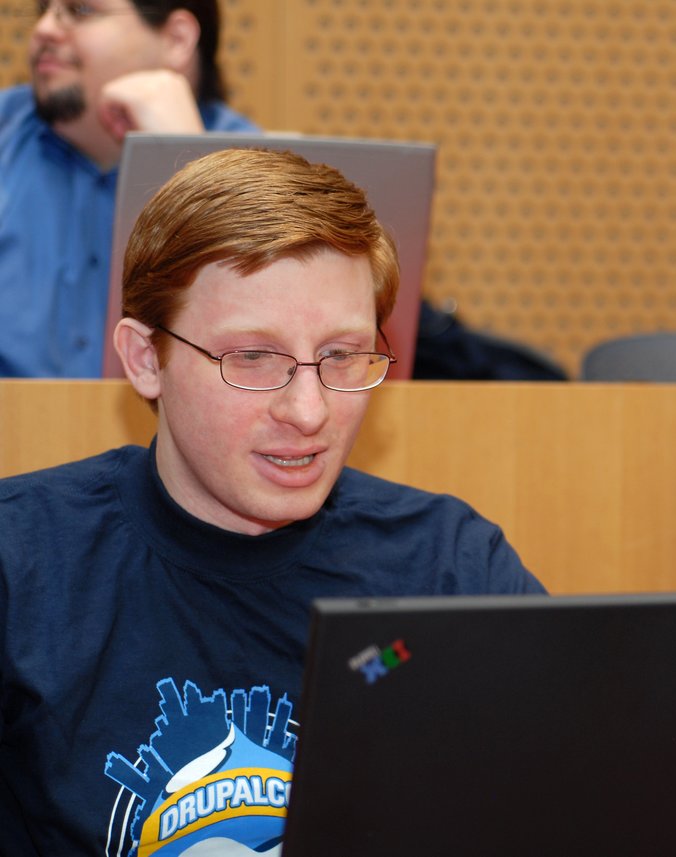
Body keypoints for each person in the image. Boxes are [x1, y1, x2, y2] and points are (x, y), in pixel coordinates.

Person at [0, 147, 545, 855]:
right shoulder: (23, 565)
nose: (309, 410)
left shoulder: (450, 566)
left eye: (344, 356)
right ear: (145, 359)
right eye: (253, 358)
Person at [0, 0, 257, 378]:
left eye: (80, 11)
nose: (44, 29)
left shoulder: (262, 171)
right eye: (45, 10)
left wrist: (188, 162)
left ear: (176, 39)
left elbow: (257, 349)